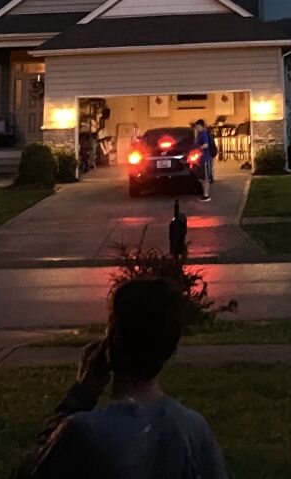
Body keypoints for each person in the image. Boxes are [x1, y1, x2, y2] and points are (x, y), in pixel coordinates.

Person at [13, 276, 227, 479]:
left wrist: (79, 396)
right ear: (170, 348)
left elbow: (28, 473)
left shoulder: (83, 432)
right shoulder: (193, 429)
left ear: (109, 344)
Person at [192, 118, 215, 198]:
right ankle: (203, 193)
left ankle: (206, 195)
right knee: (202, 178)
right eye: (196, 127)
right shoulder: (199, 135)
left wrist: (199, 149)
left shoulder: (204, 134)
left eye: (198, 126)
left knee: (205, 178)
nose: (197, 128)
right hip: (200, 159)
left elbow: (206, 145)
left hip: (205, 158)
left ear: (201, 126)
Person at [168, 198, 188, 265]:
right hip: (176, 243)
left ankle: (177, 266)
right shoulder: (178, 224)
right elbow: (176, 214)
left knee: (176, 257)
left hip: (177, 243)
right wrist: (176, 204)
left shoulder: (180, 225)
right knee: (176, 257)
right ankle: (176, 266)